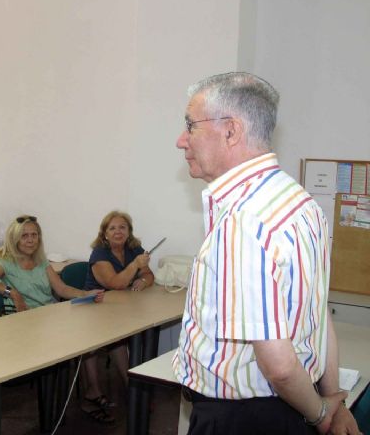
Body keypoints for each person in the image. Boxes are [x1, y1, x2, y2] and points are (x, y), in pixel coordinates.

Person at [172, 72, 360, 434]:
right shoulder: (302, 203)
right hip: (292, 409)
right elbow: (318, 315)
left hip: (242, 420)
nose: (182, 140)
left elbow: (279, 366)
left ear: (231, 131)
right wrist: (331, 399)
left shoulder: (244, 221)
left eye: (190, 125)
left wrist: (321, 415)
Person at [81, 210, 155, 423]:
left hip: (119, 307)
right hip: (94, 307)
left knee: (120, 340)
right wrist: (135, 266)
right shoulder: (100, 254)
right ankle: (94, 392)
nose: (118, 231)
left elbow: (149, 275)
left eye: (122, 227)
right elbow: (115, 283)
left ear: (129, 231)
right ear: (104, 233)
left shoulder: (134, 248)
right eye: (112, 228)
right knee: (107, 341)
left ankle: (130, 386)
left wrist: (144, 281)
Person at [0, 215, 103, 312]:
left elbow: (61, 289)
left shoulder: (41, 261)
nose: (31, 240)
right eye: (24, 236)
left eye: (34, 235)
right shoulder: (6, 263)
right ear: (15, 239)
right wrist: (12, 293)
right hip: (22, 318)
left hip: (47, 314)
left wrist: (86, 294)